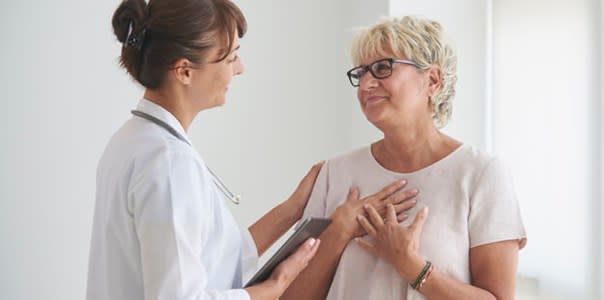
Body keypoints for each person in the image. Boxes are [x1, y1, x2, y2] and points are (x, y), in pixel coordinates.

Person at [86, 1, 418, 299]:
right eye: (230, 57)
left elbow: (220, 255)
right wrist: (269, 291)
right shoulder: (169, 162)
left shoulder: (132, 140)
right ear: (185, 71)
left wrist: (293, 209)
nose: (239, 68)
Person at [283, 16, 527, 300]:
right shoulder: (334, 173)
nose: (365, 85)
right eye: (360, 73)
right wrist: (338, 233)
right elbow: (291, 297)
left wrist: (411, 266)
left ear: (432, 80)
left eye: (382, 68)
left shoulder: (482, 174)